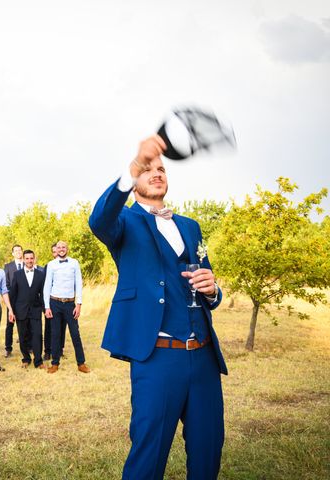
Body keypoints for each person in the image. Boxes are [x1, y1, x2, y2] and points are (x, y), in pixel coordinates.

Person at [88, 134, 226, 479]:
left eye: (161, 168)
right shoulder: (124, 223)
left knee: (209, 449)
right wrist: (135, 162)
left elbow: (207, 284)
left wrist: (213, 291)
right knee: (148, 456)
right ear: (135, 182)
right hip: (158, 356)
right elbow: (99, 219)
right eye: (148, 169)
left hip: (204, 355)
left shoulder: (191, 227)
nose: (157, 172)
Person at [43, 241, 90, 374]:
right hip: (55, 302)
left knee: (75, 333)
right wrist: (47, 307)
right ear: (56, 250)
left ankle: (81, 363)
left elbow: (78, 284)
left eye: (63, 247)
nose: (61, 249)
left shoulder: (74, 263)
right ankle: (55, 363)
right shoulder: (51, 265)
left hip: (70, 304)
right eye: (59, 247)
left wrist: (79, 304)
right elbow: (47, 286)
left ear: (67, 249)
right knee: (56, 334)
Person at [9, 249, 46, 369]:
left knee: (37, 335)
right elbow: (13, 295)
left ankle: (38, 361)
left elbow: (43, 294)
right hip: (21, 310)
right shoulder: (17, 274)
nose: (29, 260)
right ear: (24, 259)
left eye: (31, 258)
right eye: (27, 258)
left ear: (34, 259)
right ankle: (26, 358)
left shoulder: (41, 274)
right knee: (23, 336)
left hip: (35, 310)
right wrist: (12, 311)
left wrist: (45, 309)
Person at [43, 242, 66, 361]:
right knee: (49, 327)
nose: (56, 253)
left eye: (57, 250)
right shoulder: (49, 266)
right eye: (54, 251)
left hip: (64, 301)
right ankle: (47, 351)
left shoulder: (68, 264)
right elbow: (45, 285)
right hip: (51, 302)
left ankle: (59, 350)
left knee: (62, 326)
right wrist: (46, 304)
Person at [3, 244, 24, 358]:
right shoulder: (8, 266)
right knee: (10, 324)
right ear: (13, 253)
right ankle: (8, 348)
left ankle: (27, 346)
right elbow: (6, 284)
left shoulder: (27, 264)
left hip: (25, 301)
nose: (18, 252)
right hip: (12, 301)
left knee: (25, 324)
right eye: (15, 251)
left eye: (19, 250)